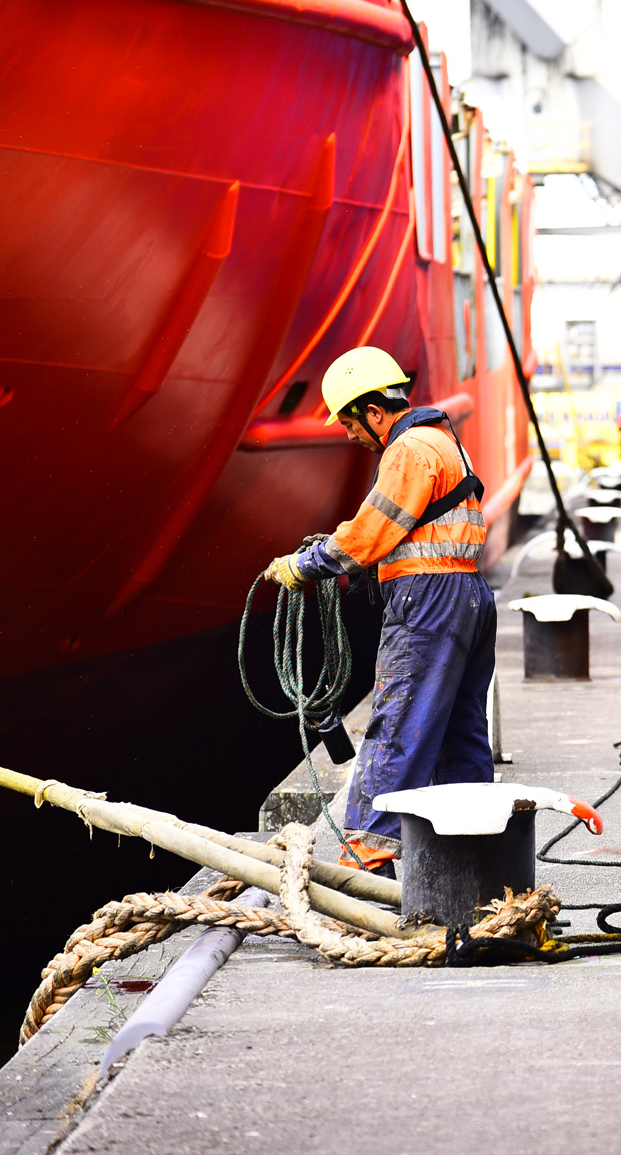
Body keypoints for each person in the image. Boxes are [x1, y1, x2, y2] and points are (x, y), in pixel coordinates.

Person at [262, 347, 494, 872]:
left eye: (349, 422)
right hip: (469, 598)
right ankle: (473, 857)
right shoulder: (443, 439)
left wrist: (306, 564)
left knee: (395, 728)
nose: (348, 435)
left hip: (427, 606)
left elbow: (368, 535)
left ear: (374, 411)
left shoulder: (408, 449)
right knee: (461, 734)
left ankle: (369, 864)